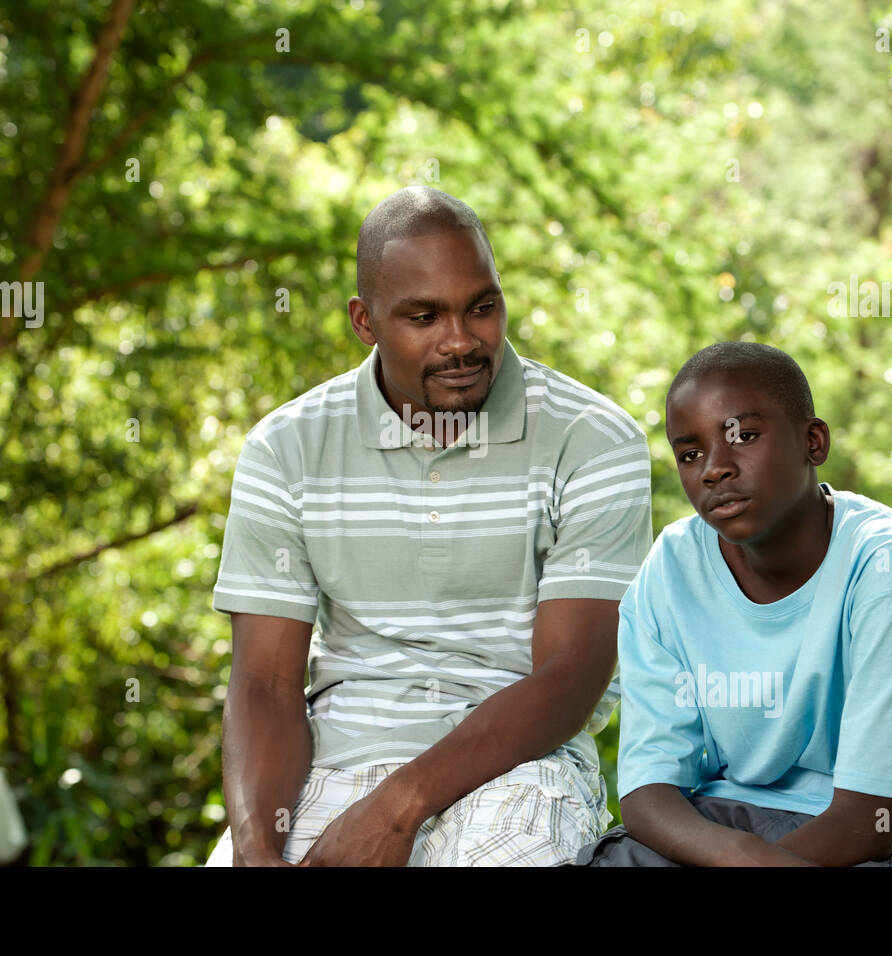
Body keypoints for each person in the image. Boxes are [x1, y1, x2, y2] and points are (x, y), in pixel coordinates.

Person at [206, 186, 652, 866]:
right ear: (365, 321)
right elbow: (264, 685)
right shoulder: (286, 448)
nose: (462, 341)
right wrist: (255, 850)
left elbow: (572, 675)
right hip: (328, 765)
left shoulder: (591, 439)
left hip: (521, 768)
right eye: (424, 316)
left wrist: (397, 808)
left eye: (483, 307)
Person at [575, 342, 892, 866]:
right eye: (690, 454)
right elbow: (649, 793)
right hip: (730, 823)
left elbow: (868, 823)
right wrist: (742, 856)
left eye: (742, 436)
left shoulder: (889, 569)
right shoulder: (671, 568)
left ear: (813, 441)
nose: (714, 470)